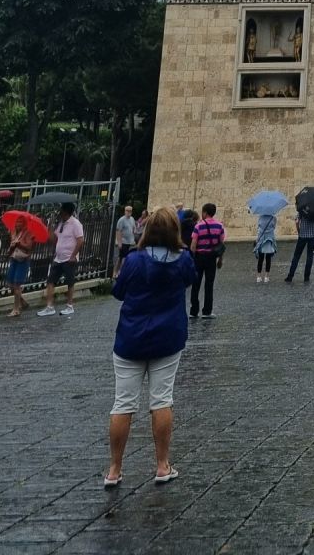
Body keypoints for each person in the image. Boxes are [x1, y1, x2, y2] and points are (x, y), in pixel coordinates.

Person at [105, 207, 198, 488]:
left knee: (123, 403)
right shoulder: (183, 260)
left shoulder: (133, 260)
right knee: (161, 400)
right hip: (167, 339)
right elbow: (190, 280)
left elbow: (118, 292)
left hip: (131, 339)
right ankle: (161, 465)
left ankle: (114, 470)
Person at [38, 201, 84, 317]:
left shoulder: (76, 224)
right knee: (50, 281)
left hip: (69, 258)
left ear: (66, 212)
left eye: (61, 211)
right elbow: (54, 239)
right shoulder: (61, 224)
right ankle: (49, 307)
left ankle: (69, 305)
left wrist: (73, 255)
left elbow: (80, 240)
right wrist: (50, 226)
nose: (59, 213)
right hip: (58, 258)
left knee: (70, 282)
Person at [189, 203, 225, 319]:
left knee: (196, 284)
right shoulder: (219, 226)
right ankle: (207, 311)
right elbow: (221, 245)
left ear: (205, 212)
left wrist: (192, 258)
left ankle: (194, 311)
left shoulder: (198, 226)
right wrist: (220, 260)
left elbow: (193, 245)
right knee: (209, 285)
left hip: (199, 257)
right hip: (211, 258)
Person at [4, 215, 36, 317]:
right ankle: (22, 301)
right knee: (10, 284)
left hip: (23, 261)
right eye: (17, 222)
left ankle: (16, 309)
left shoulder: (28, 233)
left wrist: (19, 244)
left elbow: (29, 247)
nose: (18, 224)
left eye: (21, 222)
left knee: (17, 285)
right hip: (14, 259)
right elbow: (11, 246)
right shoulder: (13, 233)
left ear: (24, 223)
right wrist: (10, 250)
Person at [284, 208, 314, 284]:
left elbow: (297, 221)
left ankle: (290, 276)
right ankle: (306, 277)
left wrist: (299, 231)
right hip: (312, 236)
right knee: (309, 257)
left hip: (302, 235)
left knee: (296, 256)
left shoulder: (302, 209)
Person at [114, 205, 137, 280]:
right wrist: (119, 242)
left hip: (130, 242)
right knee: (122, 258)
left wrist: (134, 231)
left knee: (123, 257)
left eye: (130, 211)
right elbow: (118, 231)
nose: (129, 212)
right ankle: (118, 272)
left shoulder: (132, 219)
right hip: (123, 242)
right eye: (127, 211)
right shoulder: (122, 220)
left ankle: (118, 272)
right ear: (125, 211)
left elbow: (133, 227)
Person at [254, 208, 277, 282]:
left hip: (261, 240)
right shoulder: (273, 218)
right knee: (268, 259)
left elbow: (259, 229)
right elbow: (274, 228)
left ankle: (258, 276)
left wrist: (257, 239)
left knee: (260, 259)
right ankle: (266, 277)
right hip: (269, 239)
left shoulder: (260, 218)